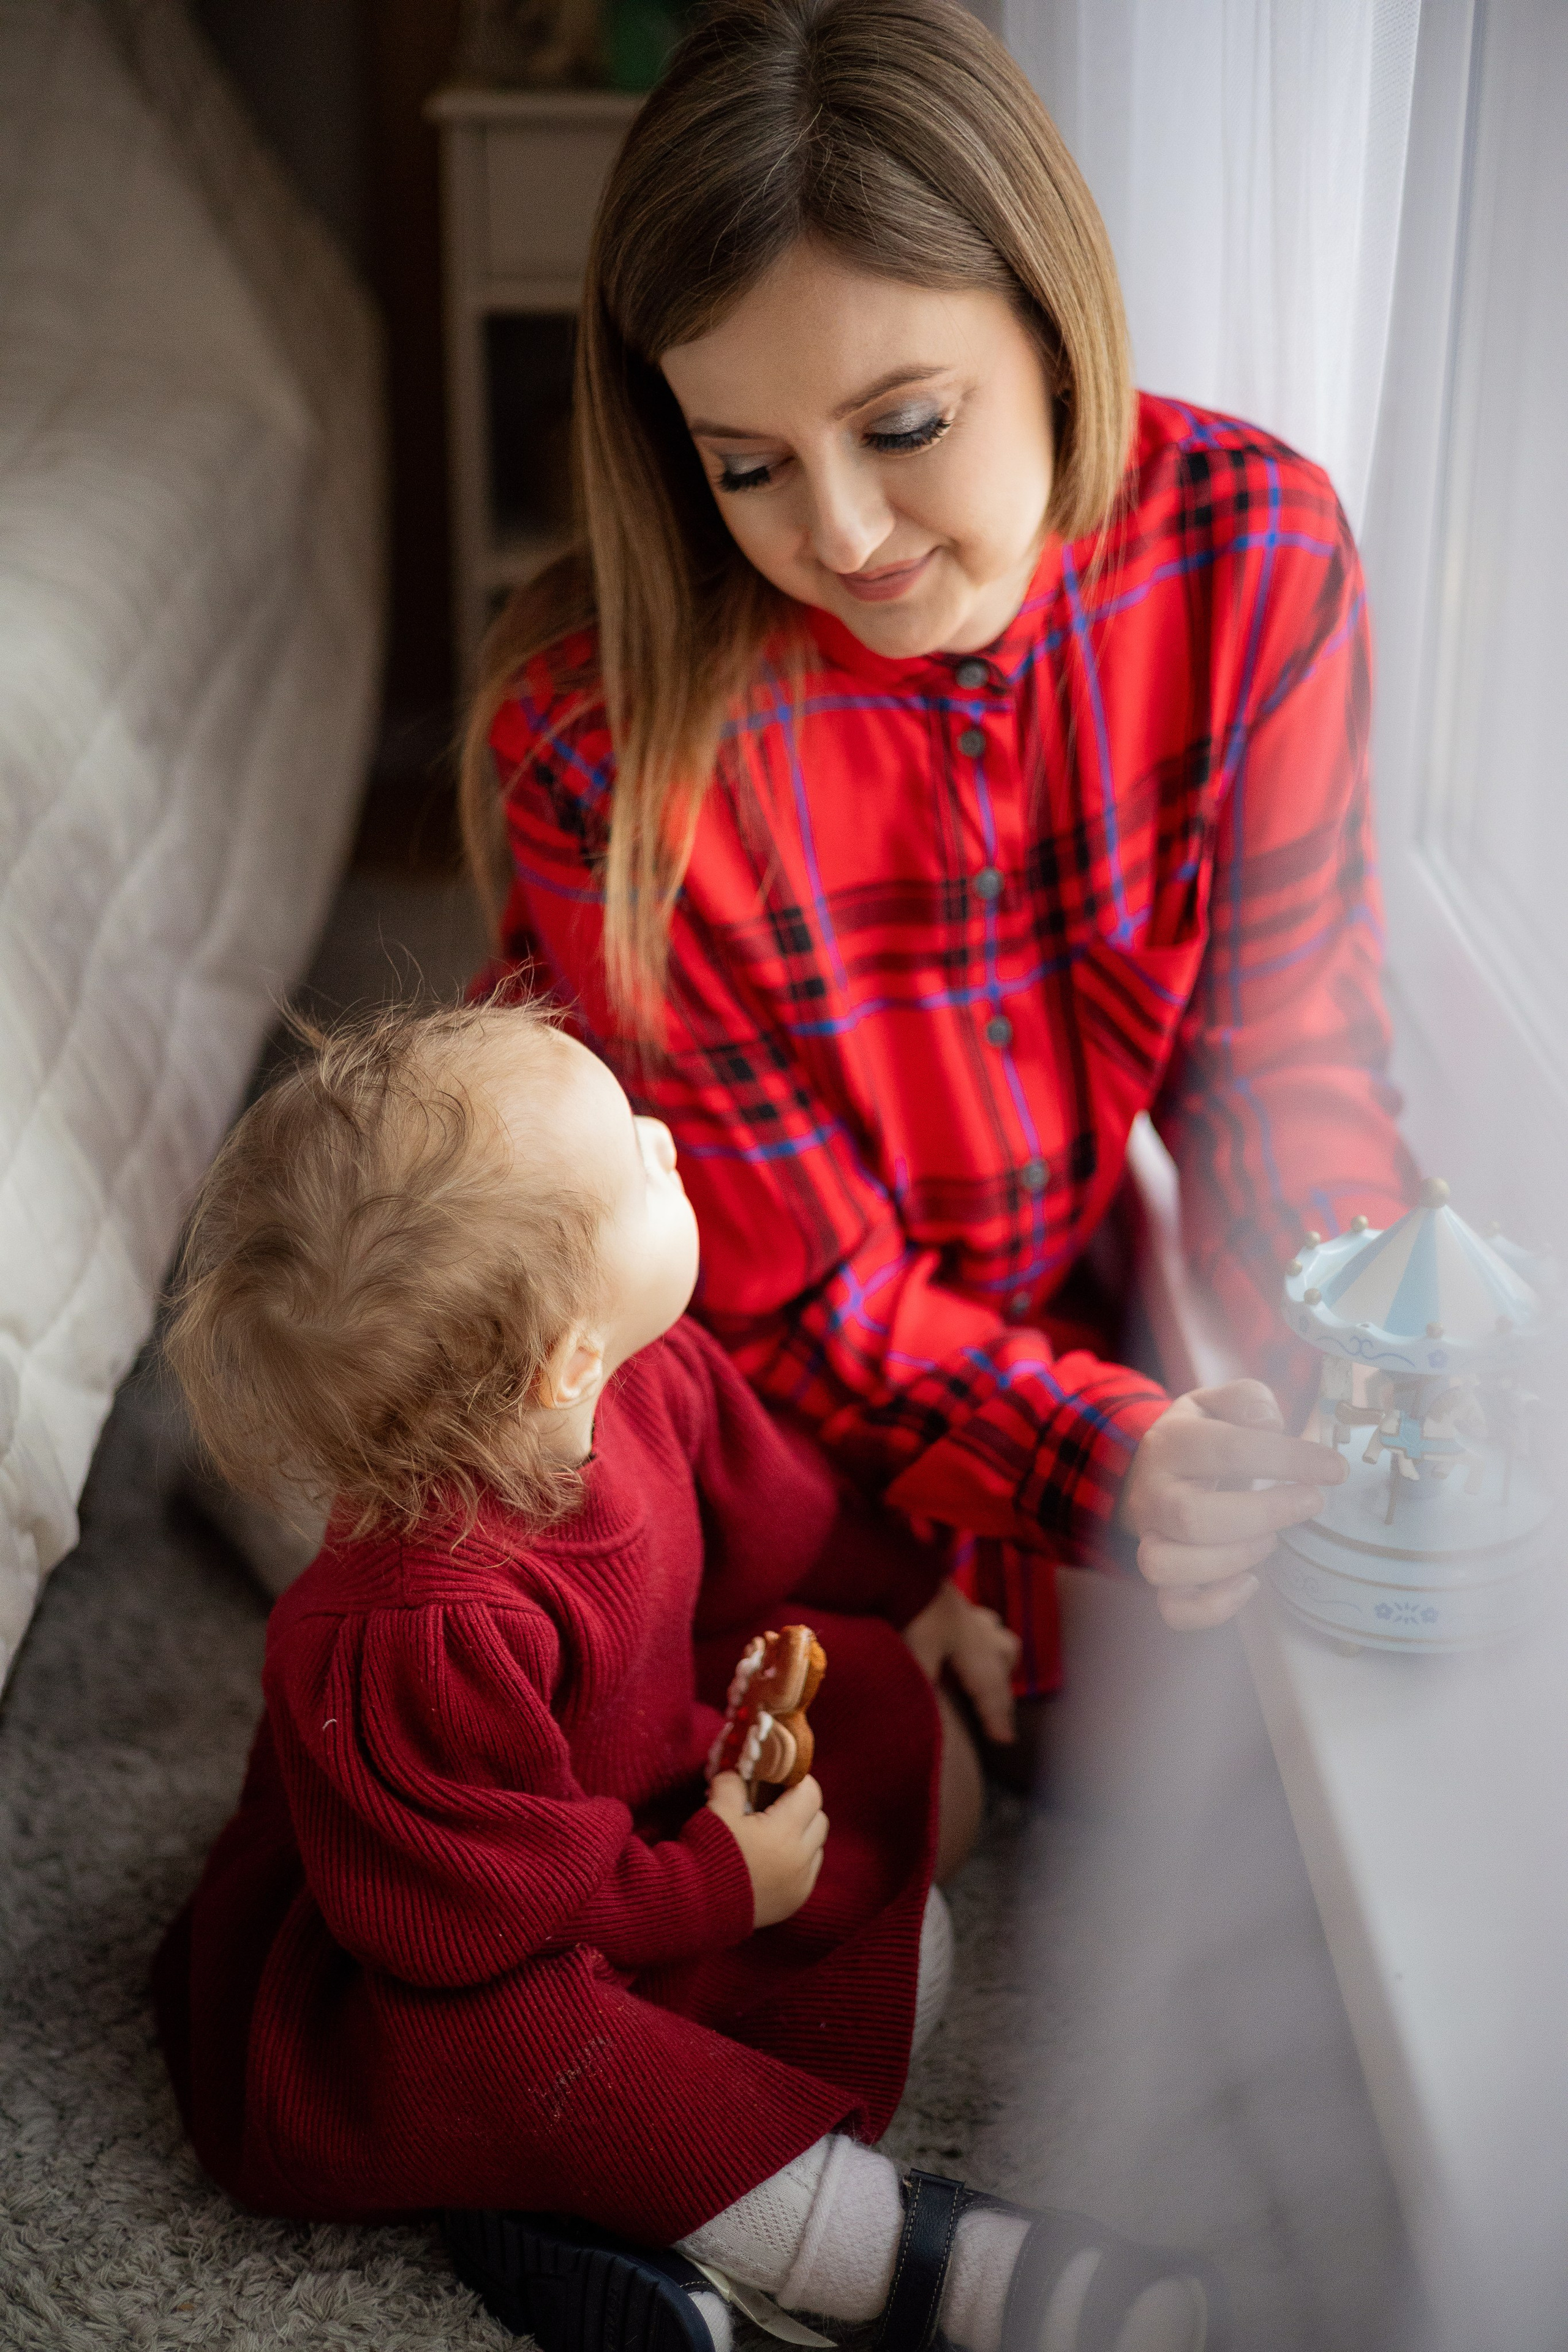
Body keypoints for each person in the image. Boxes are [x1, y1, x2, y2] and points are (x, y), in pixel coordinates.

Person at [461, 0, 1409, 1721]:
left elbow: (1287, 1060)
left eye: (903, 427)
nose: (840, 534)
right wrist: (1098, 1454)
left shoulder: (1257, 554)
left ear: (1051, 327)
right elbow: (794, 1299)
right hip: (725, 1372)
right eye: (748, 467)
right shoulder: (599, 746)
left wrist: (1357, 1367)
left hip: (1032, 1305)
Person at [152, 1000, 1224, 2352]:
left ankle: (585, 2207)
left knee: (889, 1716)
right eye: (638, 1160)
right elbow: (476, 1909)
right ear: (564, 1359)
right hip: (446, 1932)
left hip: (625, 1809)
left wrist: (923, 1597)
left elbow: (779, 1525)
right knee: (511, 2042)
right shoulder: (415, 1628)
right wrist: (715, 1883)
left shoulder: (649, 1381)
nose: (665, 1136)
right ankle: (880, 2253)